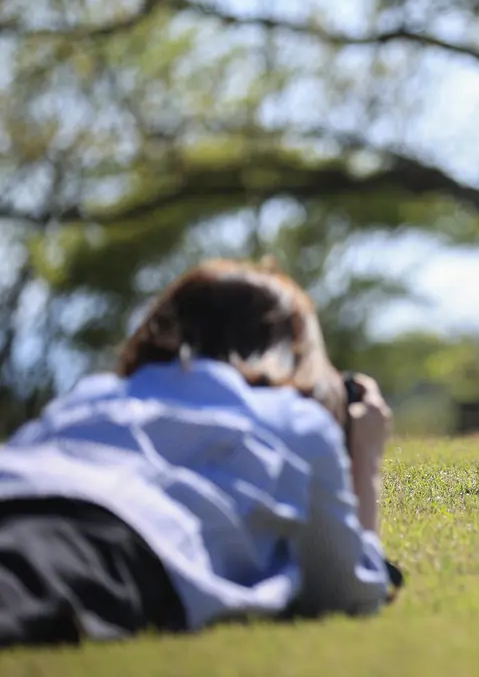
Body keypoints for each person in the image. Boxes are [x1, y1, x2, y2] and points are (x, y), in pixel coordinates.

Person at [0, 259, 402, 647]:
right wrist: (365, 458)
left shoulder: (93, 393)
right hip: (106, 537)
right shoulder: (294, 420)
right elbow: (349, 593)